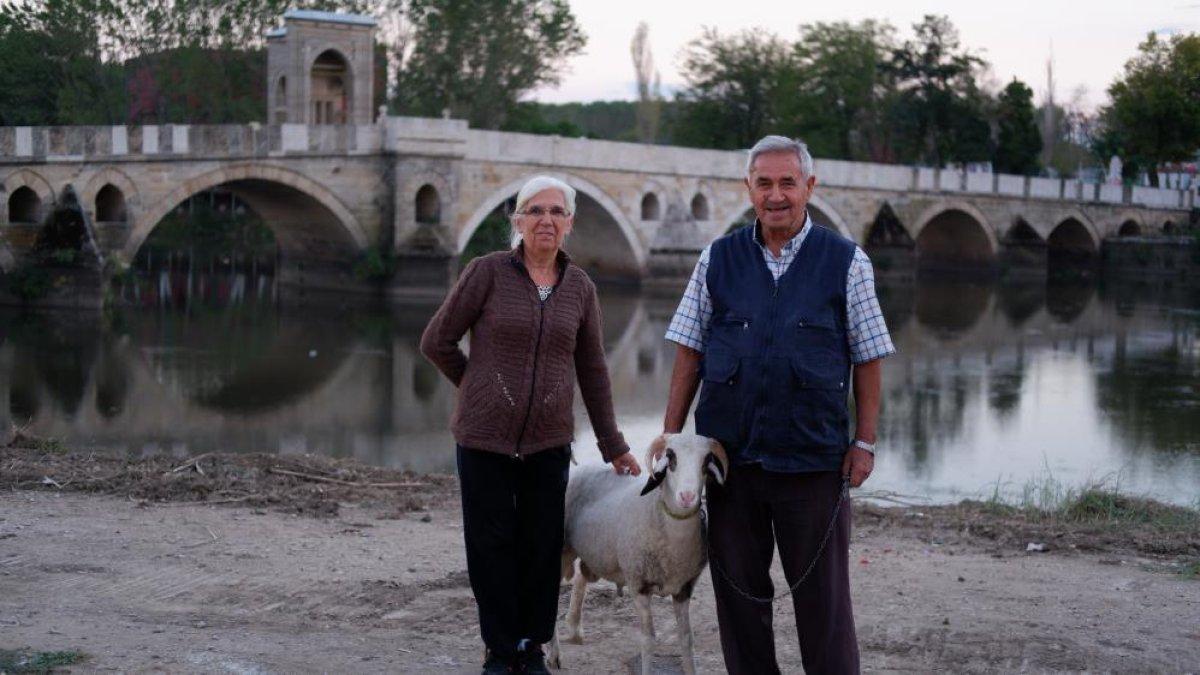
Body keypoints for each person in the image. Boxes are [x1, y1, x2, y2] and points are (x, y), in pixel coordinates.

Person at [661, 136, 894, 674]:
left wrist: (864, 442)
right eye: (764, 183)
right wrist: (673, 438)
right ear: (749, 188)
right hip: (729, 464)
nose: (776, 195)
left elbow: (870, 357)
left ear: (809, 187)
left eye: (788, 182)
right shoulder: (717, 258)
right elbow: (689, 348)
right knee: (739, 599)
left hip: (812, 464)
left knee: (824, 606)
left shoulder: (847, 262)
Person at [420, 175, 642, 675]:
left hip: (549, 443)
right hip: (483, 441)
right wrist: (476, 389)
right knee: (491, 545)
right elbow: (437, 342)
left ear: (569, 224)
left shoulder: (580, 288)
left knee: (542, 547)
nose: (546, 220)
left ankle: (531, 647)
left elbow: (593, 370)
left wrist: (613, 445)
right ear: (517, 221)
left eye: (556, 212)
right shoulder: (487, 273)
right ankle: (500, 651)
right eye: (535, 211)